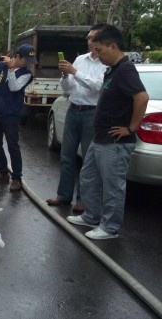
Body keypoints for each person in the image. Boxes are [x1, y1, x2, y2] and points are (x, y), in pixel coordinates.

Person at [67, 24, 149, 240]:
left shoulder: (126, 69)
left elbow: (142, 97)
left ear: (113, 46)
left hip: (115, 141)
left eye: (101, 51)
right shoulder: (113, 70)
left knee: (112, 186)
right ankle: (91, 216)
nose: (98, 56)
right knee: (88, 176)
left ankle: (110, 227)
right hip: (100, 137)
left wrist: (131, 127)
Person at [46, 23, 108, 212]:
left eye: (94, 38)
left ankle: (83, 199)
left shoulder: (106, 63)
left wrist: (74, 72)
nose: (90, 42)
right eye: (88, 38)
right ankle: (64, 195)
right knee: (67, 155)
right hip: (74, 109)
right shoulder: (80, 59)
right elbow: (69, 88)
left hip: (92, 112)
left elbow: (98, 87)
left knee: (88, 159)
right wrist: (66, 75)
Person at [0, 44, 37, 192]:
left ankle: (17, 178)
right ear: (17, 56)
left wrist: (11, 69)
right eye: (26, 59)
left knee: (13, 146)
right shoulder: (0, 65)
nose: (28, 63)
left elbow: (14, 87)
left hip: (10, 115)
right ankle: (3, 172)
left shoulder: (27, 74)